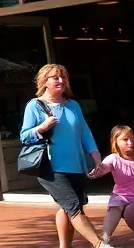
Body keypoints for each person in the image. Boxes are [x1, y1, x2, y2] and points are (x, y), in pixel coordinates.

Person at [21, 64, 105, 248]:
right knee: (73, 207)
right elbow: (24, 136)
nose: (61, 80)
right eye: (56, 77)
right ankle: (100, 244)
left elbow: (85, 133)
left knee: (69, 207)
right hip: (52, 168)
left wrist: (96, 157)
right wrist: (42, 127)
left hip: (76, 165)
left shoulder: (73, 105)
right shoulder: (35, 106)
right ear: (45, 82)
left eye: (63, 77)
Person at [90, 125, 134, 246]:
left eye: (131, 138)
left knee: (131, 210)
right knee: (114, 209)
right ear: (115, 141)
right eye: (125, 139)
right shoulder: (114, 158)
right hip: (121, 196)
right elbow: (101, 169)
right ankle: (104, 241)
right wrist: (94, 171)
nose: (130, 142)